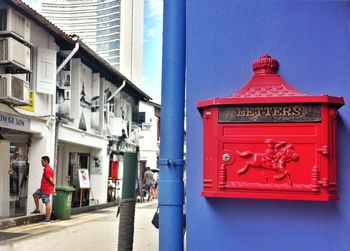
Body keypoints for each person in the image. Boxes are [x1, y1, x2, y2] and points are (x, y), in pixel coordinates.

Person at [31, 156, 55, 223]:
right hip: (42, 188)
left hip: (45, 189)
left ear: (46, 161)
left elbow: (50, 179)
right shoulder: (47, 168)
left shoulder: (48, 169)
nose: (41, 162)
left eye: (42, 161)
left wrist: (53, 184)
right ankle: (37, 210)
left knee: (47, 203)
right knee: (35, 195)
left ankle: (47, 219)